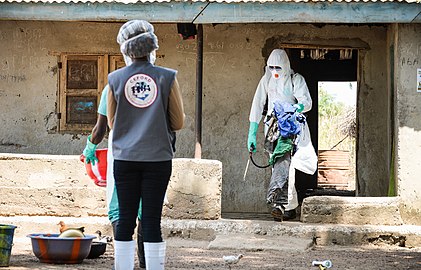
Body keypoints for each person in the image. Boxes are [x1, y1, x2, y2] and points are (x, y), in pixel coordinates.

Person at [107, 20, 185, 270]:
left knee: (125, 220)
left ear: (126, 50)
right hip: (158, 160)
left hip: (125, 159)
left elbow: (111, 123)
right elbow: (178, 122)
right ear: (153, 47)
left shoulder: (115, 79)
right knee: (151, 221)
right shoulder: (167, 77)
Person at [82, 84, 146, 268]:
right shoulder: (158, 84)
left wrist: (90, 148)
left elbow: (100, 129)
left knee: (119, 209)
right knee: (146, 210)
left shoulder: (113, 86)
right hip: (151, 153)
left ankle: (123, 262)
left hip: (122, 153)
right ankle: (146, 260)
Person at [247, 49, 313, 222]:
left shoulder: (295, 79)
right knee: (277, 166)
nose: (275, 71)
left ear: (285, 65)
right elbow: (257, 103)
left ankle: (281, 205)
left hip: (289, 128)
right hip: (272, 128)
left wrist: (294, 108)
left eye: (278, 67)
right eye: (271, 67)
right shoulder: (267, 79)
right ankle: (289, 206)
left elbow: (306, 103)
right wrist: (252, 133)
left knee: (285, 166)